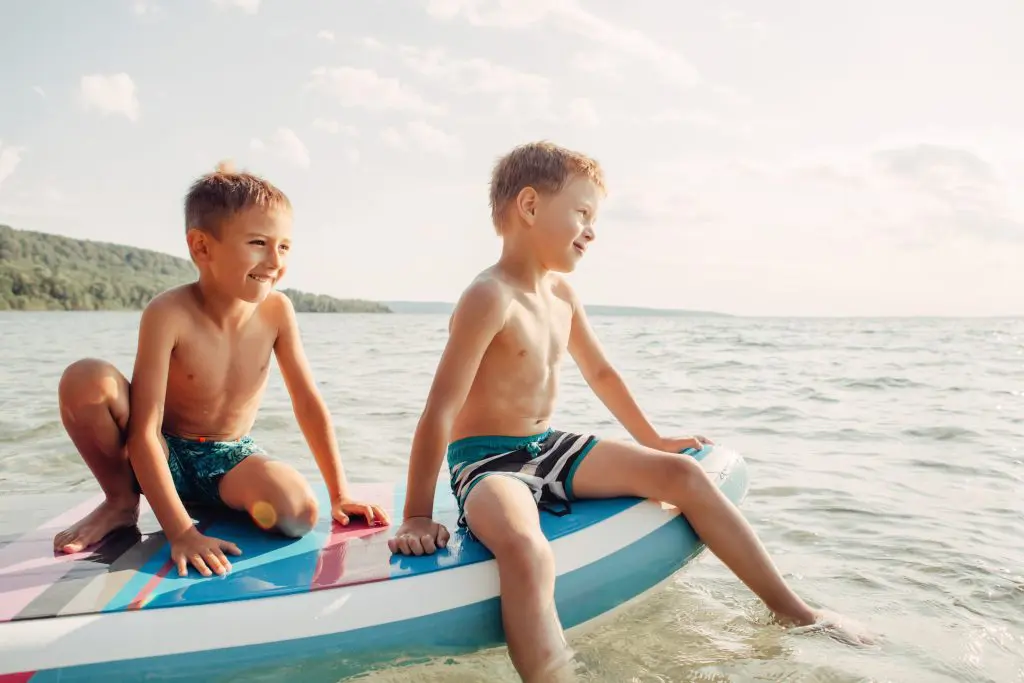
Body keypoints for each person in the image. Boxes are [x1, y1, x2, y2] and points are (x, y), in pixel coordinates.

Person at [387, 141, 872, 681]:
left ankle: (793, 612)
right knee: (527, 549)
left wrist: (654, 440)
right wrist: (416, 513)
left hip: (549, 446)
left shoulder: (563, 295)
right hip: (487, 462)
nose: (592, 231)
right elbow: (439, 409)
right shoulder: (489, 296)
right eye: (582, 213)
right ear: (529, 207)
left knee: (682, 475)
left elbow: (602, 375)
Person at [53, 161, 389, 577]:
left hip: (227, 457)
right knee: (85, 378)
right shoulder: (168, 313)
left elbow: (307, 402)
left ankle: (211, 500)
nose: (274, 260)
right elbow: (144, 429)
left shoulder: (278, 311)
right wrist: (180, 533)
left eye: (284, 246)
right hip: (161, 448)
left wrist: (340, 495)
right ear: (202, 247)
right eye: (258, 243)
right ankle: (121, 503)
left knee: (297, 514)